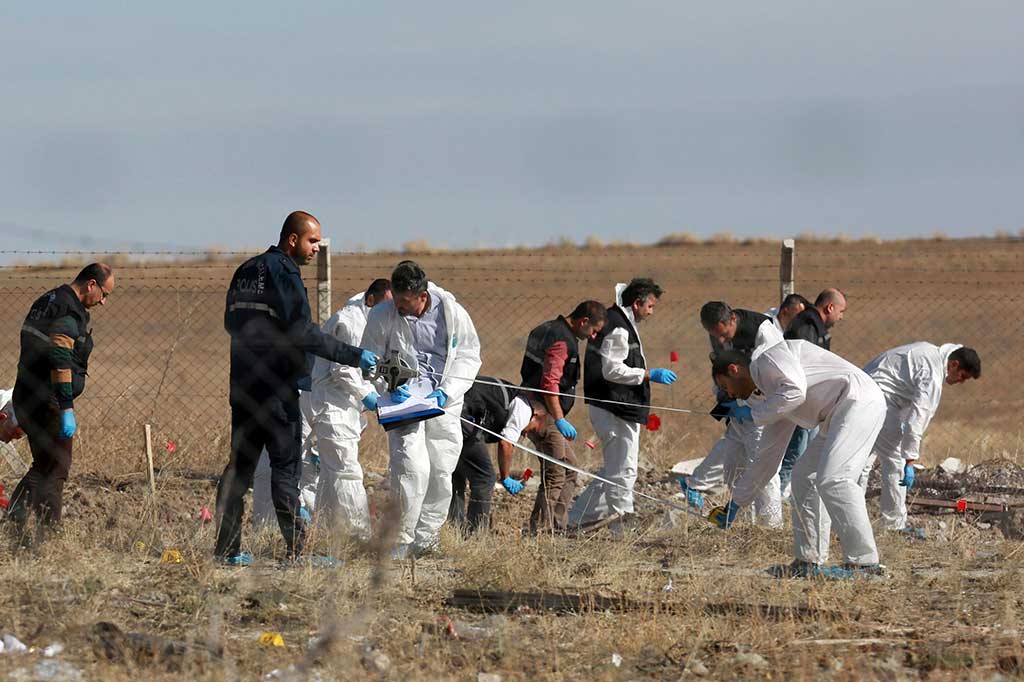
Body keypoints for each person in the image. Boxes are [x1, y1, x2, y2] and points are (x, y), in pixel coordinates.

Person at [216, 211, 376, 567]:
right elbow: (303, 333)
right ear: (292, 240)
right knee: (286, 472)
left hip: (243, 389)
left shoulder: (246, 270)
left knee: (238, 470)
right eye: (312, 241)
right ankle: (297, 554)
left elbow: (231, 323)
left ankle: (226, 551)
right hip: (276, 391)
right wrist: (353, 355)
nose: (317, 248)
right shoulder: (285, 274)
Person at [711, 342, 886, 579]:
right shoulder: (772, 399)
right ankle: (808, 561)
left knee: (835, 479)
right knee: (803, 477)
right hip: (837, 413)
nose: (730, 395)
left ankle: (865, 565)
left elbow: (796, 391)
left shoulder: (769, 360)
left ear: (734, 369)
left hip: (860, 401)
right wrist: (735, 505)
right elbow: (767, 459)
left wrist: (753, 414)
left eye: (725, 386)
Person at [360, 260, 481, 558]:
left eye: (405, 301)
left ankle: (426, 540)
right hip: (403, 403)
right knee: (411, 468)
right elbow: (369, 362)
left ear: (422, 296)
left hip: (443, 400)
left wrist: (446, 391)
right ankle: (400, 539)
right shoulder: (381, 316)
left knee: (441, 469)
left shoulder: (452, 313)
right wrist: (384, 386)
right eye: (395, 299)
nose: (398, 307)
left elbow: (469, 356)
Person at [5, 263, 114, 541]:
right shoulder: (68, 311)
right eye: (103, 294)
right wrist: (66, 407)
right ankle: (49, 538)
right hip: (47, 400)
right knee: (57, 469)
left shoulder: (47, 300)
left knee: (43, 465)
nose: (103, 301)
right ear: (91, 284)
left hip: (26, 395)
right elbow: (60, 358)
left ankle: (15, 524)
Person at [569, 279, 677, 530]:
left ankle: (578, 518)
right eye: (650, 306)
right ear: (637, 303)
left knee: (615, 468)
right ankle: (622, 525)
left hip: (613, 405)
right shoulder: (618, 327)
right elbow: (612, 369)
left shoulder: (617, 320)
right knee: (625, 469)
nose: (651, 312)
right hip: (614, 407)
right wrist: (647, 374)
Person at [681, 301, 785, 527]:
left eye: (722, 334)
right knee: (733, 465)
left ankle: (770, 528)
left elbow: (778, 373)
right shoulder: (718, 333)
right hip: (737, 408)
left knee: (762, 468)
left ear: (732, 320)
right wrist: (723, 395)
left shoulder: (763, 332)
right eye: (713, 336)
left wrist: (755, 405)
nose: (720, 341)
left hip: (760, 410)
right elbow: (720, 368)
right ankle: (745, 524)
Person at [859, 343, 981, 531]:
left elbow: (905, 390)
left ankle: (849, 520)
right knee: (895, 463)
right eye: (962, 376)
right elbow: (918, 418)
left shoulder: (928, 353)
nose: (960, 382)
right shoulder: (933, 373)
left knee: (862, 462)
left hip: (864, 393)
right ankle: (894, 525)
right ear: (954, 364)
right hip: (880, 399)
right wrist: (909, 460)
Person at [305, 278, 392, 537]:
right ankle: (358, 536)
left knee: (333, 476)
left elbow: (372, 369)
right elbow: (343, 369)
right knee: (347, 470)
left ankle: (324, 532)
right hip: (332, 403)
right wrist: (372, 398)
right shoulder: (352, 322)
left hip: (343, 405)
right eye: (385, 306)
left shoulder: (372, 324)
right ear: (371, 300)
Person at [519, 300, 606, 533]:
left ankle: (556, 527)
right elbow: (549, 382)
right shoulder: (561, 340)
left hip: (538, 406)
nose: (594, 336)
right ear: (583, 321)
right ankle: (539, 531)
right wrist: (558, 418)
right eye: (594, 330)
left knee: (569, 469)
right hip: (543, 413)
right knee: (557, 471)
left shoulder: (546, 328)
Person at [448, 377, 549, 533]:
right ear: (536, 415)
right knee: (485, 477)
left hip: (453, 409)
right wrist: (506, 477)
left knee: (458, 472)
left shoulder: (510, 397)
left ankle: (453, 527)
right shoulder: (525, 408)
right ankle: (475, 533)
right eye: (533, 429)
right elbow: (506, 443)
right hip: (464, 418)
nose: (527, 435)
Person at [778, 288, 848, 498]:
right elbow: (804, 366)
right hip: (804, 400)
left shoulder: (813, 326)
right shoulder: (807, 325)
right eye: (841, 311)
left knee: (809, 450)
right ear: (830, 307)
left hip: (813, 401)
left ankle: (800, 495)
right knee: (796, 451)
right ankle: (782, 495)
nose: (841, 317)